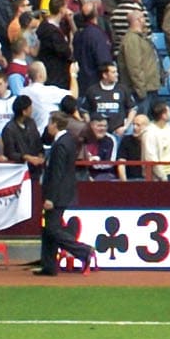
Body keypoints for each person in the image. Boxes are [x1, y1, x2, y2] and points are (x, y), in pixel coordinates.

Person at [38, 109, 102, 276]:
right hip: (64, 191)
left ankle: (83, 251)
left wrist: (50, 197)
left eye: (49, 123)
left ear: (54, 124)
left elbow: (57, 173)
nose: (48, 127)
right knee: (48, 230)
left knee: (52, 229)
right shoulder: (68, 140)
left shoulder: (60, 144)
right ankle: (49, 266)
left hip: (57, 194)